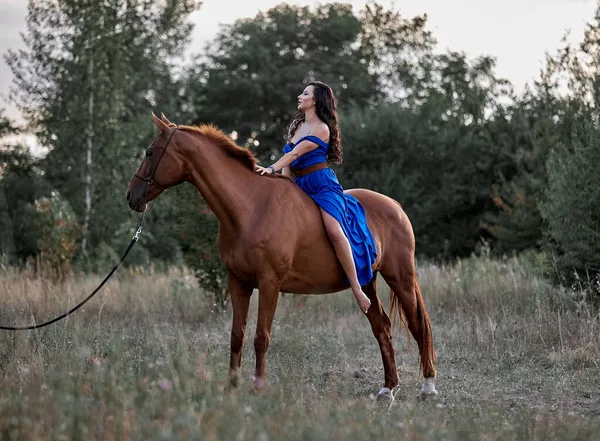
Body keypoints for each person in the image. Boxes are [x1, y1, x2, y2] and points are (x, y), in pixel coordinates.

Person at [255, 81, 377, 314]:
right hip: (300, 185)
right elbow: (288, 167)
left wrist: (270, 168)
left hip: (322, 186)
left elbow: (295, 154)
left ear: (316, 101)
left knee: (333, 229)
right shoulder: (296, 126)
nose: (300, 96)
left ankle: (356, 288)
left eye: (305, 93)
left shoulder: (322, 128)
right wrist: (281, 184)